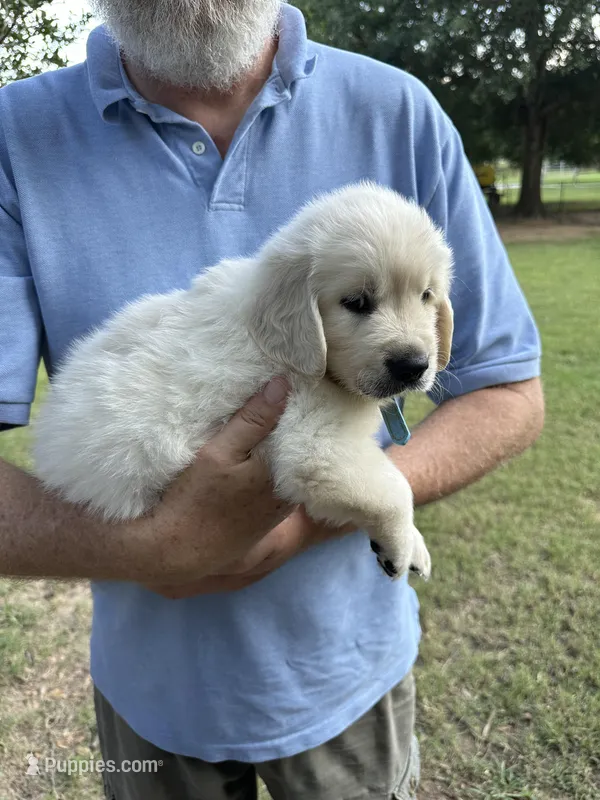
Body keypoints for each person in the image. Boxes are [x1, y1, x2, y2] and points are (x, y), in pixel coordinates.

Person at [0, 1, 544, 798]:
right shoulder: (13, 135)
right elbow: (306, 449)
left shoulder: (399, 111)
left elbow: (509, 389)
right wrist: (149, 547)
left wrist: (307, 522)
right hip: (151, 695)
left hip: (347, 684)